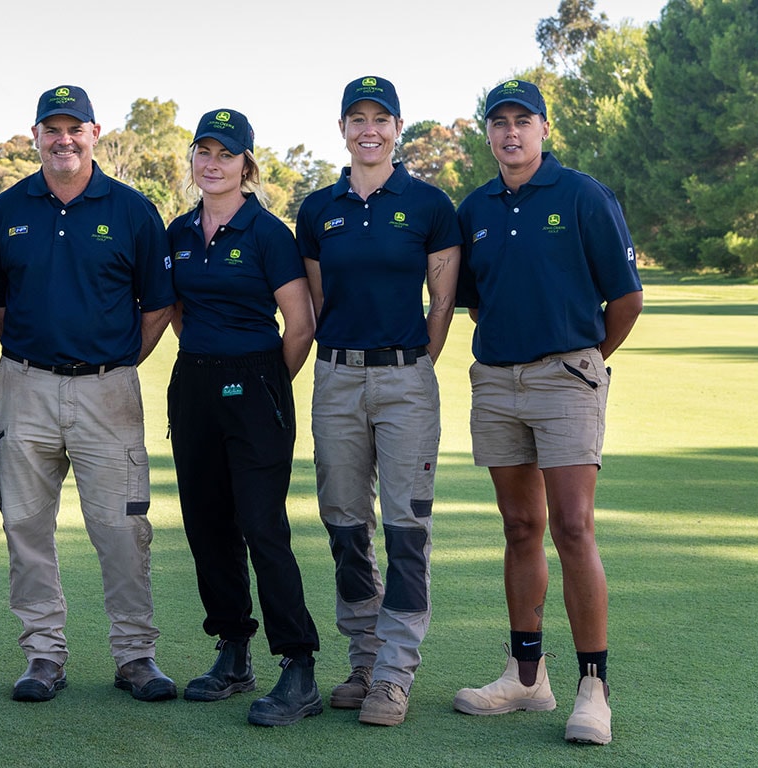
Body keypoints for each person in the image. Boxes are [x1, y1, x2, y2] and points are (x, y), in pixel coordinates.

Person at [450, 79, 643, 746]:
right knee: (520, 523)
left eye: (522, 121)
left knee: (572, 524)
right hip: (497, 381)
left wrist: (582, 361)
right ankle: (528, 677)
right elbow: (477, 296)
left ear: (544, 127)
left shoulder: (583, 196)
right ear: (489, 132)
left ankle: (594, 687)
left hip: (567, 375)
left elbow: (625, 299)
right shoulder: (473, 207)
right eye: (499, 122)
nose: (511, 133)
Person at [0, 85, 177, 703]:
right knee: (26, 525)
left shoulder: (131, 210)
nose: (63, 140)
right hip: (27, 386)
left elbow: (159, 305)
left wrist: (113, 363)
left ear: (94, 132)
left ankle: (135, 655)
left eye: (75, 128)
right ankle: (43, 655)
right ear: (35, 134)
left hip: (108, 390)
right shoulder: (8, 208)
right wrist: (34, 362)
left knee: (121, 528)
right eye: (51, 129)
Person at [294, 76, 461, 727]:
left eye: (380, 118)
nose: (369, 129)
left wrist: (414, 367)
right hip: (335, 378)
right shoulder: (317, 210)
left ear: (397, 127)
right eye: (356, 118)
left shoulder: (428, 205)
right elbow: (317, 300)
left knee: (405, 528)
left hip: (405, 380)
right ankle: (362, 660)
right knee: (344, 524)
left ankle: (394, 674)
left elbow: (442, 302)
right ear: (342, 128)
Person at [165, 109, 321, 726]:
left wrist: (261, 383)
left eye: (225, 154)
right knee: (208, 525)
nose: (212, 163)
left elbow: (300, 323)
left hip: (257, 382)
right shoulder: (178, 232)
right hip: (194, 382)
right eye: (203, 152)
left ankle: (299, 664)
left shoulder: (267, 232)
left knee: (261, 525)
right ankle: (233, 651)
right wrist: (209, 360)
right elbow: (177, 309)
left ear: (245, 165)